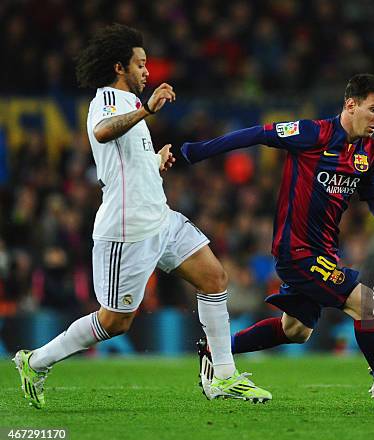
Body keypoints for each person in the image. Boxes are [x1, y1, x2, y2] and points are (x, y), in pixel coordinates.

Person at [13, 24, 271, 408]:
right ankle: (36, 361)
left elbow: (124, 163)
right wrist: (148, 109)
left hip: (160, 218)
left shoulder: (131, 105)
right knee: (115, 321)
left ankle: (224, 375)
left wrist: (155, 160)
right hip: (126, 227)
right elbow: (101, 134)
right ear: (120, 67)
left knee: (215, 277)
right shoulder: (107, 101)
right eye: (141, 64)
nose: (148, 72)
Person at [182, 74, 374, 404]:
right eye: (373, 109)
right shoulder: (312, 133)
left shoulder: (369, 153)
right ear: (351, 104)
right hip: (297, 252)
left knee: (296, 330)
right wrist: (195, 151)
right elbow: (257, 134)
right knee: (367, 303)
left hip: (324, 253)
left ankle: (215, 350)